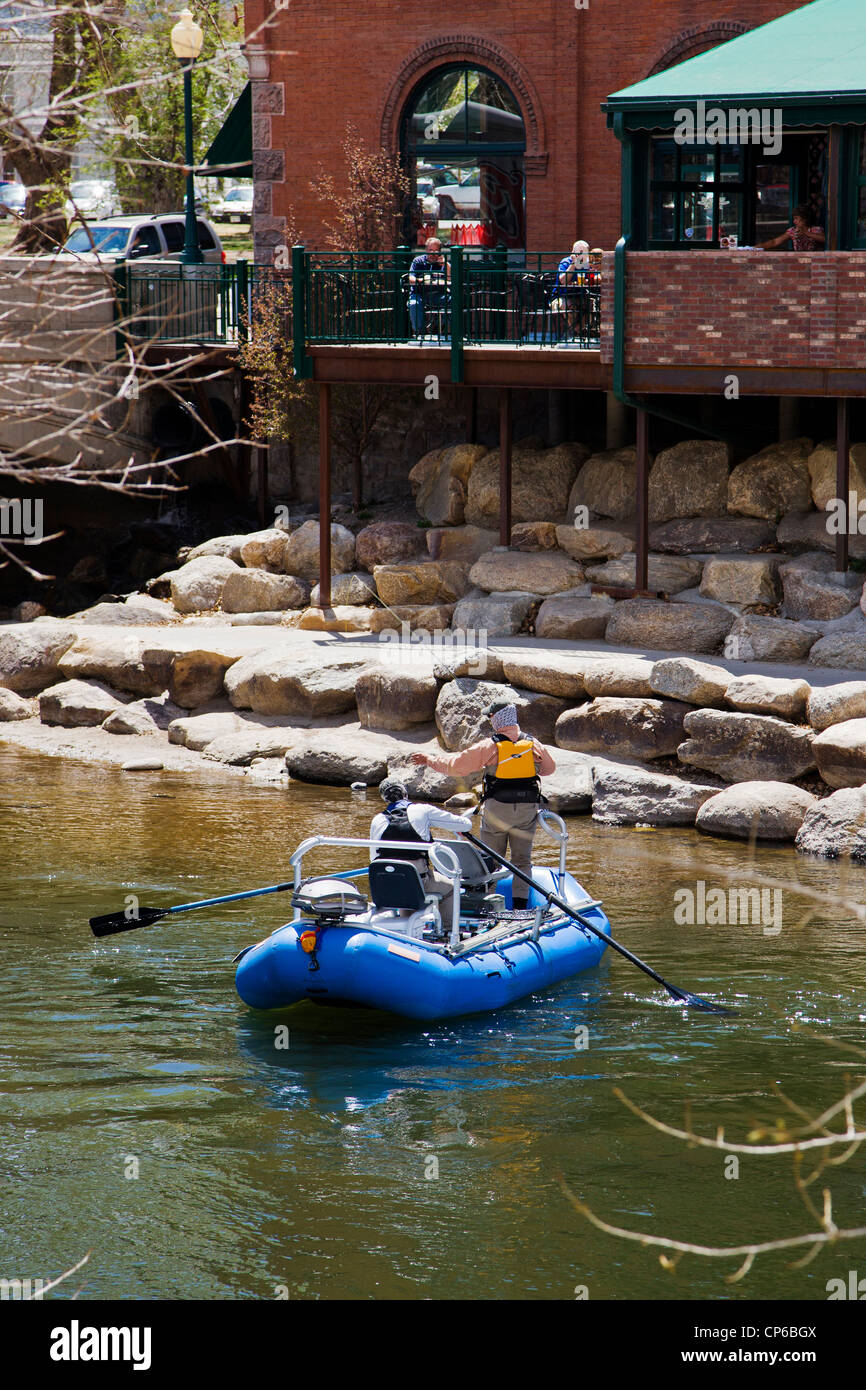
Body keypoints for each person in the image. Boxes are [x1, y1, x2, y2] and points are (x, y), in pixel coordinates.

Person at [411, 703, 556, 909]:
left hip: (497, 810)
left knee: (491, 860)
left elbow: (456, 767)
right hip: (526, 809)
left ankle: (488, 904)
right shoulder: (533, 743)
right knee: (522, 861)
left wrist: (429, 760)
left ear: (497, 719)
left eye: (491, 717)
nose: (489, 721)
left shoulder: (490, 745)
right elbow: (549, 769)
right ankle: (520, 907)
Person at [370, 777, 471, 927]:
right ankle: (448, 931)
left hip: (388, 884)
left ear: (385, 799)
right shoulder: (423, 810)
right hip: (420, 882)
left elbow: (374, 858)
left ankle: (410, 927)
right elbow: (466, 825)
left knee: (403, 883)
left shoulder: (377, 820)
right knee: (453, 887)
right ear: (405, 793)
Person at [408, 237, 450, 336]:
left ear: (440, 251)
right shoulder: (418, 261)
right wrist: (421, 280)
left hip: (437, 294)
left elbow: (449, 279)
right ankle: (421, 333)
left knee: (453, 300)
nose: (432, 254)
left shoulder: (442, 262)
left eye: (436, 251)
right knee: (414, 304)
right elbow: (411, 279)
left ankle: (438, 328)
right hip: (419, 293)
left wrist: (446, 265)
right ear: (426, 250)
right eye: (430, 250)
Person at [760, 205, 825, 251]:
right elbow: (774, 242)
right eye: (794, 219)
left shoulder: (816, 230)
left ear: (805, 218)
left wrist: (806, 233)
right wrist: (755, 248)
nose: (794, 221)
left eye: (796, 218)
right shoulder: (792, 231)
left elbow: (825, 239)